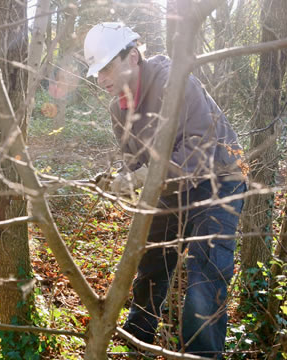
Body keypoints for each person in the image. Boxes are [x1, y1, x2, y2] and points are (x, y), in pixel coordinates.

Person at [84, 22, 246, 358]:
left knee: (207, 274)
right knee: (152, 261)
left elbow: (201, 146)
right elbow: (134, 160)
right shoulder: (118, 108)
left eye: (107, 68)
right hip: (170, 190)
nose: (101, 80)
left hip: (218, 183)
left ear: (132, 56)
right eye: (96, 72)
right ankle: (137, 336)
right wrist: (120, 179)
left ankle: (201, 354)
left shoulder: (176, 83)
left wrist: (146, 176)